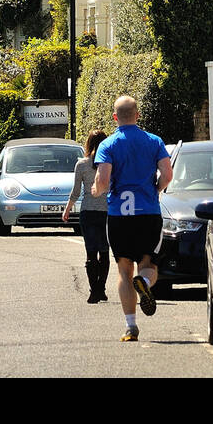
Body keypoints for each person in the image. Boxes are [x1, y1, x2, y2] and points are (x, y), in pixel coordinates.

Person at [91, 95, 173, 342]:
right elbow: (167, 174)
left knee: (123, 271)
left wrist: (96, 190)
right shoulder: (154, 141)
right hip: (148, 214)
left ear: (115, 118)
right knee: (149, 264)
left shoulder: (108, 145)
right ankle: (145, 281)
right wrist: (156, 188)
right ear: (138, 115)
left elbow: (103, 181)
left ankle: (130, 327)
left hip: (119, 217)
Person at [62, 129, 109, 304]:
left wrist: (67, 209)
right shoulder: (111, 164)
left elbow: (76, 192)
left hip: (88, 212)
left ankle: (93, 291)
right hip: (107, 212)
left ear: (88, 143)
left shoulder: (81, 164)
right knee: (104, 252)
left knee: (91, 252)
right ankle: (101, 289)